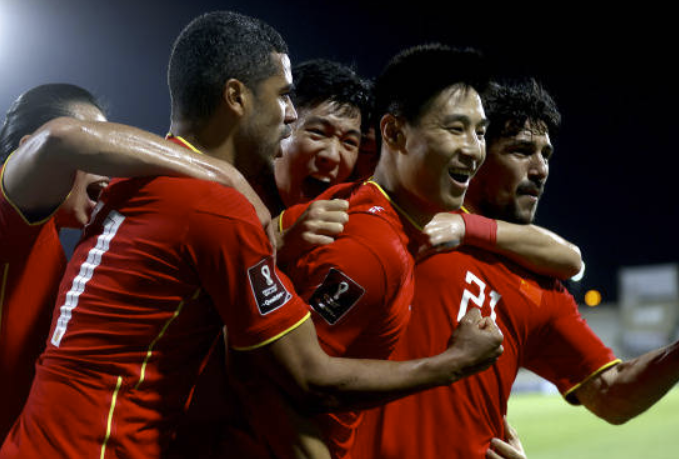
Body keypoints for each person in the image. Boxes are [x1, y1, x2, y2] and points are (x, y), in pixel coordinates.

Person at [0, 14, 504, 459]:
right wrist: (454, 363)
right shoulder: (219, 208)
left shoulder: (134, 182)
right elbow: (310, 377)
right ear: (237, 97)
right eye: (283, 96)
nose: (291, 114)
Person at [354, 79, 679, 459]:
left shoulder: (539, 287)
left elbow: (612, 393)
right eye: (521, 150)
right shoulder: (410, 215)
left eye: (546, 154)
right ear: (475, 152)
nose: (540, 169)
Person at [0, 83, 269, 441]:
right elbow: (58, 138)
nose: (108, 165)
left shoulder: (57, 248)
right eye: (95, 142)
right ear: (26, 149)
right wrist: (224, 174)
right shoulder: (9, 220)